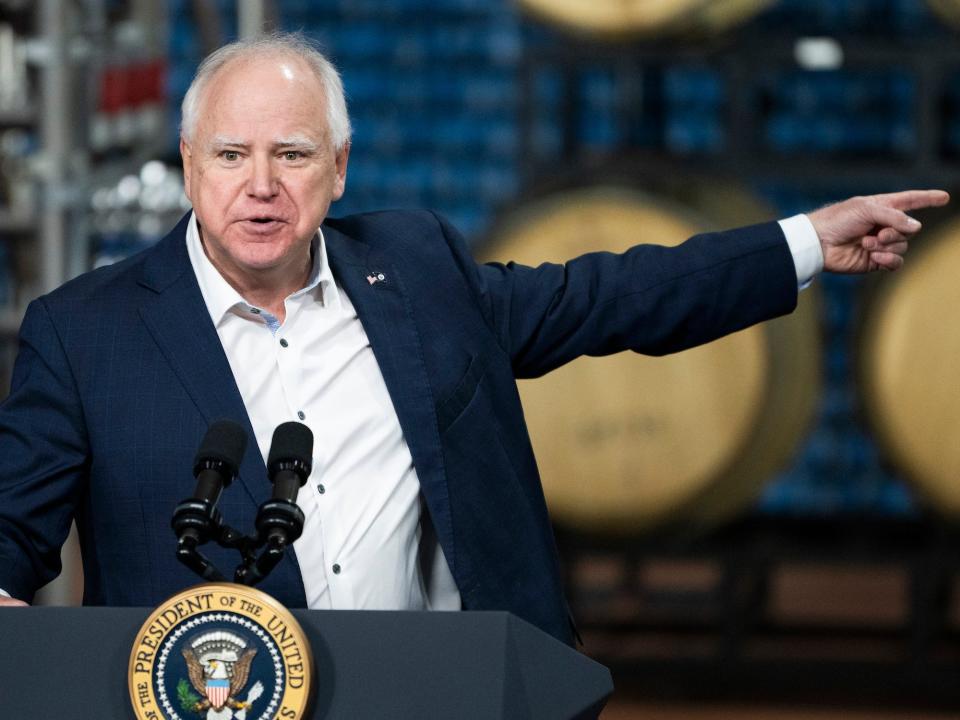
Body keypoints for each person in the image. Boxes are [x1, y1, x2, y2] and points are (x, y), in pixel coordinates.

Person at [0, 33, 949, 646]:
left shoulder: (415, 271)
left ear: (337, 171)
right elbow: (11, 533)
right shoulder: (84, 334)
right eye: (231, 154)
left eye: (291, 155)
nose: (261, 184)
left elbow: (609, 296)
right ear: (187, 165)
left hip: (446, 702)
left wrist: (806, 241)